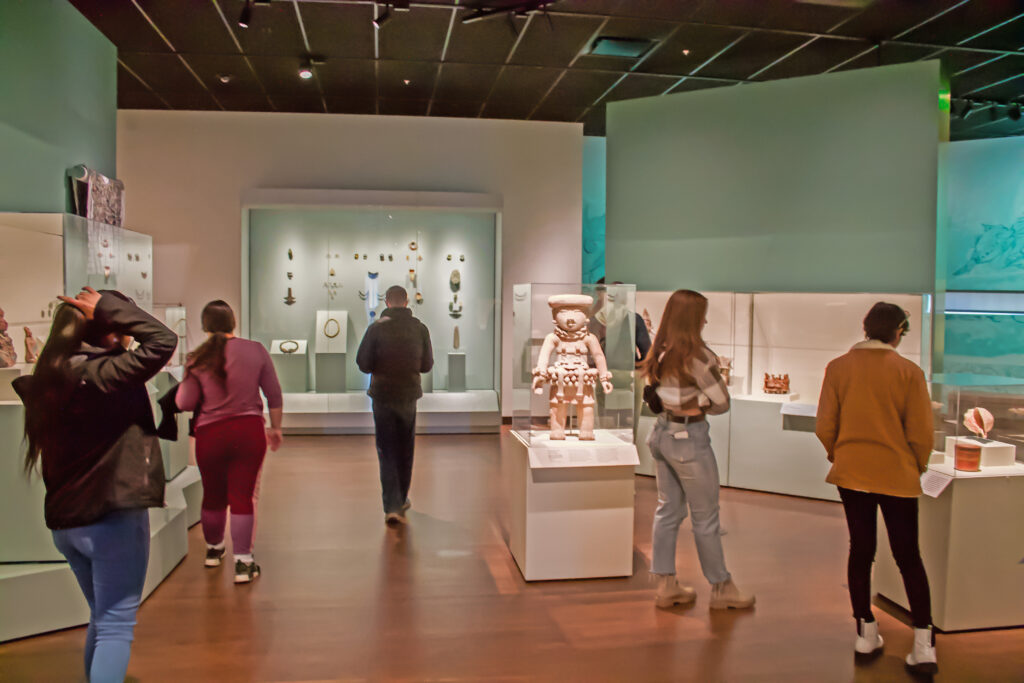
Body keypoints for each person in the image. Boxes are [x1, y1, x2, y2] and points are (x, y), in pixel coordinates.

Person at [14, 287, 176, 683]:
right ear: (111, 327)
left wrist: (104, 312)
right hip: (111, 520)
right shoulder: (103, 375)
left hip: (66, 522)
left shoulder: (50, 377)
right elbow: (163, 340)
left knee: (103, 620)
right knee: (117, 625)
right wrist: (108, 307)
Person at [816, 303, 937, 674]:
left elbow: (825, 425)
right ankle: (923, 642)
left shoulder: (838, 368)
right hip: (898, 475)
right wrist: (915, 465)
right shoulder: (909, 372)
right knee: (908, 555)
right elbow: (921, 434)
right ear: (898, 331)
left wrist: (841, 453)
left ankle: (865, 632)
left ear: (866, 328)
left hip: (852, 473)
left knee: (861, 550)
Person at [641, 289, 754, 610]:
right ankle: (722, 587)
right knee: (705, 519)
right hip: (689, 441)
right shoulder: (699, 357)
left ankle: (665, 585)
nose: (705, 320)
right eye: (702, 314)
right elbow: (721, 403)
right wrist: (699, 401)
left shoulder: (660, 351)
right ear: (692, 319)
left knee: (667, 511)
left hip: (661, 434)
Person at [175, 300, 283, 584]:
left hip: (210, 434)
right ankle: (244, 562)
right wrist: (276, 428)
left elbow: (184, 402)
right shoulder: (255, 350)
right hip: (249, 432)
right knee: (242, 496)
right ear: (233, 322)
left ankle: (213, 550)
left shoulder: (196, 358)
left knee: (212, 494)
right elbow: (274, 393)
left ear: (205, 326)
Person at [356, 285, 433, 526]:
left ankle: (392, 504)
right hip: (408, 395)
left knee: (386, 449)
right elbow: (427, 365)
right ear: (407, 301)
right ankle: (401, 498)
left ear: (387, 302)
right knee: (405, 447)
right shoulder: (419, 328)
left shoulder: (376, 329)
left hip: (383, 396)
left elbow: (364, 364)